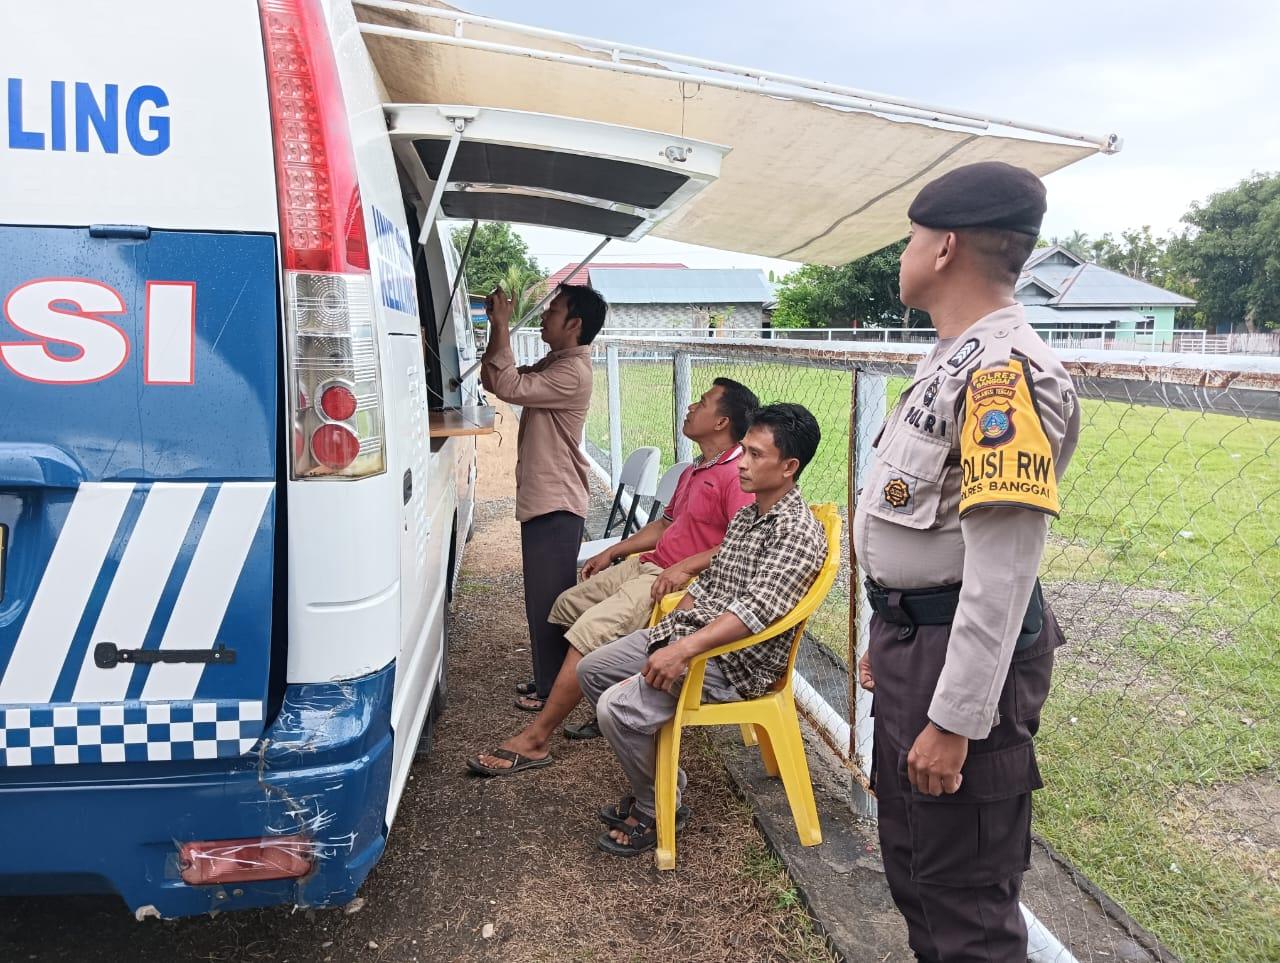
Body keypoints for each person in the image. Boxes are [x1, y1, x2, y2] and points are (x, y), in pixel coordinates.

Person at [854, 161, 1081, 963]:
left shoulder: (1001, 373)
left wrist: (955, 719)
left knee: (965, 902)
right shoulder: (953, 356)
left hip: (959, 659)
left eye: (911, 239)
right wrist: (889, 631)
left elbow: (1004, 567)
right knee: (917, 870)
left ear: (945, 246)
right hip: (917, 643)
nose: (903, 255)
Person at [466, 378, 760, 775]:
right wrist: (614, 550)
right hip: (650, 564)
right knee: (567, 604)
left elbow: (740, 544)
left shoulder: (735, 476)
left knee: (589, 630)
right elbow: (665, 524)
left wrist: (687, 566)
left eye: (703, 402)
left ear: (722, 421)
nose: (691, 406)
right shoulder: (697, 469)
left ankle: (537, 740)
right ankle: (596, 694)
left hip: (675, 582)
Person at [577, 403, 827, 856]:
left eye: (754, 455)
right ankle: (666, 781)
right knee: (592, 671)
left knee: (615, 708)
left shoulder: (795, 531)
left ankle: (658, 808)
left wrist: (683, 650)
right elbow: (712, 582)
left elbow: (754, 612)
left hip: (734, 663)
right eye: (744, 450)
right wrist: (672, 630)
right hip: (696, 637)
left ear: (789, 467)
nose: (742, 463)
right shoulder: (751, 514)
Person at [480, 283, 608, 715]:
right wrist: (497, 332)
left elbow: (510, 386)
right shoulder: (560, 361)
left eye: (553, 310)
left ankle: (553, 689)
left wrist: (500, 324)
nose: (544, 316)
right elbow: (496, 378)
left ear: (574, 325)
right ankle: (546, 677)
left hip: (557, 499)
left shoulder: (572, 371)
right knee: (541, 596)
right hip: (547, 495)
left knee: (551, 598)